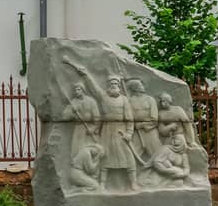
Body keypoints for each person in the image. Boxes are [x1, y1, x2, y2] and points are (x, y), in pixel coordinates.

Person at [65, 60, 138, 190]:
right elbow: (93, 87)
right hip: (107, 131)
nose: (113, 85)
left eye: (116, 83)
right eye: (111, 83)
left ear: (119, 86)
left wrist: (129, 133)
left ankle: (133, 182)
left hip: (120, 131)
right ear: (108, 85)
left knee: (128, 156)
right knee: (105, 156)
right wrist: (86, 74)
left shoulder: (124, 100)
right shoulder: (103, 97)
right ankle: (103, 183)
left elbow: (130, 118)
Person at [126, 78, 161, 165]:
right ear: (135, 88)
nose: (143, 87)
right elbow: (128, 117)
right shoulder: (129, 101)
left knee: (157, 155)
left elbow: (155, 120)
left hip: (150, 131)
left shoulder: (150, 100)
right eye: (140, 85)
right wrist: (133, 126)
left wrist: (141, 124)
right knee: (131, 154)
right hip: (136, 133)